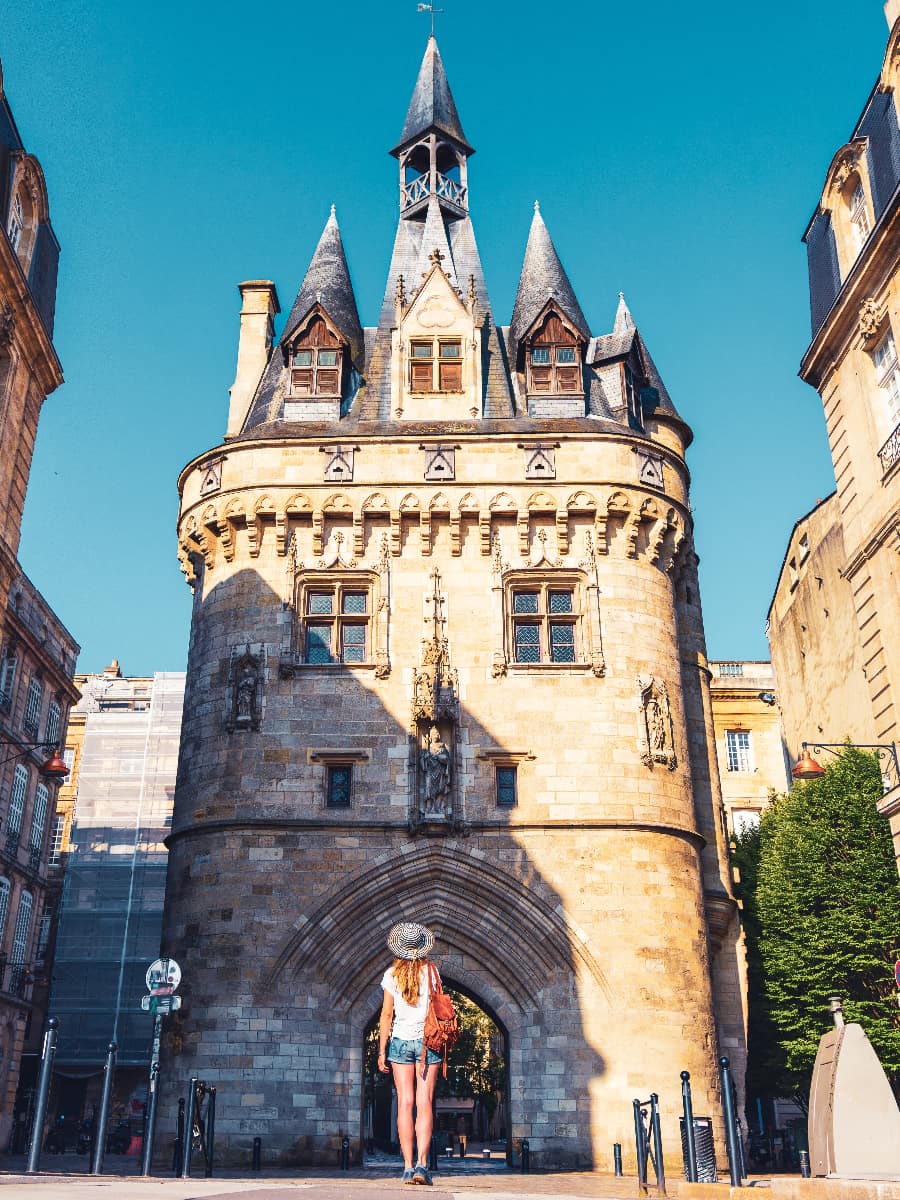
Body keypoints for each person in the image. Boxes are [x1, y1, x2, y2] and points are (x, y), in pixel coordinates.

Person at [378, 921, 442, 1185]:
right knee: (424, 1102)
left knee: (405, 1102)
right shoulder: (432, 972)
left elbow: (386, 1015)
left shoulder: (391, 975)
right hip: (427, 1042)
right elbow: (438, 1008)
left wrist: (382, 1050)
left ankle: (406, 1166)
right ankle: (422, 1166)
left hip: (400, 1042)